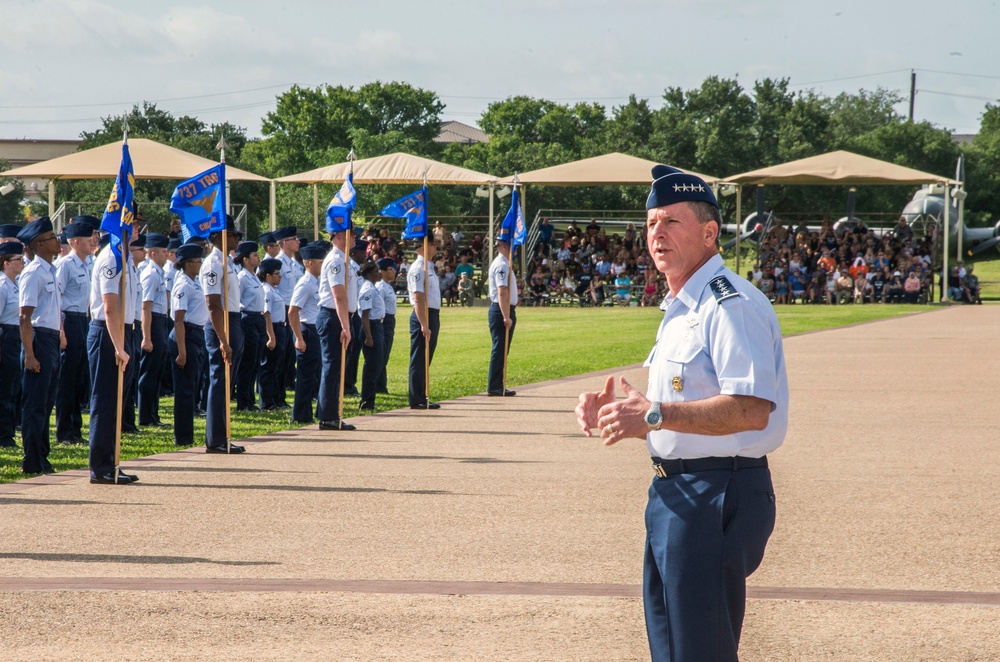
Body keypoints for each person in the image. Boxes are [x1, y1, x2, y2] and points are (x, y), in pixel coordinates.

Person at [575, 165, 786, 661]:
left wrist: (653, 416)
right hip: (677, 492)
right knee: (674, 650)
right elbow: (677, 400)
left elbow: (752, 409)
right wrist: (622, 411)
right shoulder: (682, 306)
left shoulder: (729, 305)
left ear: (710, 233)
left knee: (700, 651)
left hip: (716, 491)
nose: (656, 233)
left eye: (670, 221)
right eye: (650, 223)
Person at [87, 226, 140, 485]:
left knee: (117, 402)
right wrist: (119, 346)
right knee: (106, 400)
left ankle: (112, 462)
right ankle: (100, 467)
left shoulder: (125, 257)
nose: (139, 228)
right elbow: (109, 306)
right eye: (135, 223)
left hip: (123, 331)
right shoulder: (111, 257)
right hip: (109, 334)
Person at [17, 218, 64, 475]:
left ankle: (42, 456)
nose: (57, 240)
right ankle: (32, 459)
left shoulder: (51, 270)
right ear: (38, 244)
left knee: (47, 402)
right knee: (35, 404)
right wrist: (30, 355)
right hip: (38, 339)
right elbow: (25, 317)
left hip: (52, 338)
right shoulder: (34, 272)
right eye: (51, 237)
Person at [200, 218, 245, 454]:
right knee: (220, 381)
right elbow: (213, 304)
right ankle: (216, 439)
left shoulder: (228, 262)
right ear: (219, 236)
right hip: (222, 322)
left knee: (228, 382)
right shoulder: (213, 264)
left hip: (233, 319)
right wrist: (223, 340)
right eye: (233, 234)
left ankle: (223, 435)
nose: (238, 238)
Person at [54, 222, 94, 444]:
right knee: (67, 379)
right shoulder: (65, 265)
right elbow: (57, 300)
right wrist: (61, 331)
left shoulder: (87, 264)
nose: (93, 243)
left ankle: (75, 429)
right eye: (88, 241)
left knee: (79, 378)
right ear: (76, 242)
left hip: (83, 320)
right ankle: (64, 430)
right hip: (68, 320)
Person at [168, 243, 208, 447]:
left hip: (196, 334)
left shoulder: (195, 282)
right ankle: (182, 437)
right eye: (197, 261)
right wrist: (182, 351)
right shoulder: (182, 285)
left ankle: (188, 434)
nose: (200, 264)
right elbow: (178, 320)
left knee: (192, 386)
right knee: (184, 390)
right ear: (187, 264)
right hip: (185, 335)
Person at [315, 231, 355, 431]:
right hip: (334, 317)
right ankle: (328, 416)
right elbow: (338, 295)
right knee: (332, 367)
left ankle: (330, 412)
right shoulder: (336, 261)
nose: (354, 237)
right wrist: (345, 326)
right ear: (339, 236)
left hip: (340, 316)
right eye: (351, 233)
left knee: (337, 367)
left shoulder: (343, 259)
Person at [288, 241, 327, 425]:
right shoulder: (305, 284)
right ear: (310, 263)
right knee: (305, 377)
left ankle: (311, 413)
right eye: (320, 262)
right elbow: (293, 311)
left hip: (316, 330)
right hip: (307, 331)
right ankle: (301, 415)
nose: (323, 264)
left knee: (315, 375)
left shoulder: (317, 282)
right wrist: (299, 338)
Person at [137, 233, 170, 428]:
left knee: (157, 371)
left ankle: (153, 414)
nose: (167, 255)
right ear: (153, 254)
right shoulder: (150, 274)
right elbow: (145, 307)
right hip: (153, 322)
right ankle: (145, 415)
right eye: (164, 252)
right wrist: (147, 337)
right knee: (149, 372)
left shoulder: (159, 272)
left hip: (160, 320)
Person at [407, 239, 441, 409]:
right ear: (423, 245)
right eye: (432, 243)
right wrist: (424, 323)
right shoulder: (418, 268)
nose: (435, 246)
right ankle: (417, 398)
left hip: (432, 313)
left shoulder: (429, 266)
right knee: (419, 357)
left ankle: (422, 395)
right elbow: (418, 298)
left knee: (426, 357)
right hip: (423, 314)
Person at [273, 226, 302, 408]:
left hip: (294, 310)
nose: (298, 242)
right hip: (282, 310)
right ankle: (276, 396)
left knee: (289, 357)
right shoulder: (278, 264)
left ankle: (281, 395)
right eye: (294, 239)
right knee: (280, 357)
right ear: (285, 243)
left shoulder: (294, 263)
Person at [235, 241, 265, 411]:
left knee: (255, 362)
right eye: (254, 255)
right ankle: (243, 401)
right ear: (245, 259)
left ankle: (250, 400)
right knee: (247, 362)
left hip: (258, 319)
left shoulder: (254, 276)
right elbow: (237, 299)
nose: (257, 257)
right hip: (248, 319)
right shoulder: (242, 278)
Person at [0, 243, 25, 448]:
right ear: (6, 263)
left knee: (13, 388)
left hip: (15, 336)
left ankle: (8, 432)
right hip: (5, 337)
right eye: (19, 259)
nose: (23, 262)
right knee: (5, 390)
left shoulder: (15, 284)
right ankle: (4, 436)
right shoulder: (2, 285)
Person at [487, 233, 518, 397]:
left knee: (502, 349)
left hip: (504, 308)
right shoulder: (502, 265)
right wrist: (506, 316)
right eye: (513, 246)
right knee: (500, 348)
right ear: (505, 246)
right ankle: (494, 386)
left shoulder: (506, 263)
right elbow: (502, 291)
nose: (515, 249)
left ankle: (499, 384)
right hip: (501, 310)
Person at [257, 258, 285, 410]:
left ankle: (274, 399)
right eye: (276, 274)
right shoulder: (267, 291)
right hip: (272, 328)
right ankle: (266, 402)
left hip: (279, 327)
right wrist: (271, 336)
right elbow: (266, 314)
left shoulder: (274, 290)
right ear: (267, 275)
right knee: (268, 367)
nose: (280, 276)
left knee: (276, 366)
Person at [358, 261, 384, 411]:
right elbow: (365, 316)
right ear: (369, 274)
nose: (379, 273)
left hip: (376, 325)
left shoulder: (374, 288)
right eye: (376, 271)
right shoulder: (368, 290)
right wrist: (368, 336)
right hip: (371, 327)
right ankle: (367, 401)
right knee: (371, 366)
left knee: (376, 365)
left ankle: (370, 399)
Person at [374, 257, 397, 395]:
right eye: (390, 269)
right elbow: (378, 306)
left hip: (390, 320)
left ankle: (381, 385)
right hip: (384, 320)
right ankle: (379, 386)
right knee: (381, 354)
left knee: (385, 354)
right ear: (382, 271)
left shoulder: (387, 286)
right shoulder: (380, 287)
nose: (393, 271)